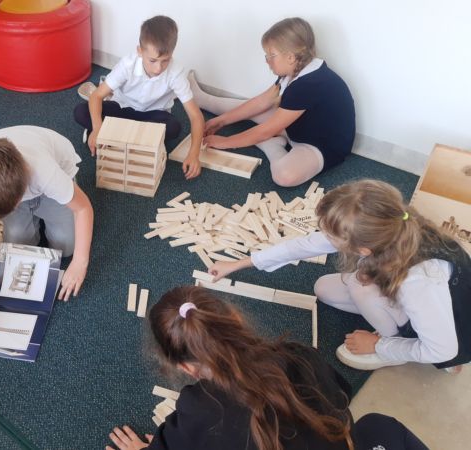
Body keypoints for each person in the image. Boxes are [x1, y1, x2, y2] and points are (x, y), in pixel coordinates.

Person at [106, 286, 428, 450]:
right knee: (378, 425)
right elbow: (340, 395)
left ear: (186, 368)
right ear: (235, 318)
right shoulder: (300, 355)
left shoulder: (197, 410)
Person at [209, 179, 470, 372]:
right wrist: (240, 263)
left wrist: (378, 345)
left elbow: (443, 350)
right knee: (324, 289)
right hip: (415, 300)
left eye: (332, 237)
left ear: (363, 249)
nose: (326, 238)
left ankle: (393, 342)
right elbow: (304, 246)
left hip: (452, 333)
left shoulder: (419, 280)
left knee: (360, 285)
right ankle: (387, 320)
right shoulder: (383, 227)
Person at [190, 17, 355, 187]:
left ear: (290, 57)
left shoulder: (307, 85)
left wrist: (226, 142)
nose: (267, 60)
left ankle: (271, 147)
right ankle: (203, 99)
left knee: (284, 176)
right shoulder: (297, 69)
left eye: (271, 55)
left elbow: (266, 130)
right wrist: (221, 121)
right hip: (298, 126)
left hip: (319, 146)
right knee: (250, 107)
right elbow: (260, 102)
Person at [0, 126, 94, 301]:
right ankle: (31, 218)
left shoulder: (45, 171)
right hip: (21, 180)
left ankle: (44, 210)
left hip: (55, 169)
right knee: (18, 248)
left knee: (65, 248)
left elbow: (83, 208)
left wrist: (80, 263)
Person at [73, 15, 205, 180]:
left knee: (174, 128)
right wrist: (97, 127)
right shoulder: (127, 64)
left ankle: (115, 135)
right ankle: (130, 138)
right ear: (140, 51)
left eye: (165, 61)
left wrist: (194, 154)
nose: (158, 68)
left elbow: (196, 116)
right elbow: (96, 96)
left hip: (152, 115)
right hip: (122, 108)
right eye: (152, 61)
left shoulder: (176, 73)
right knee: (81, 112)